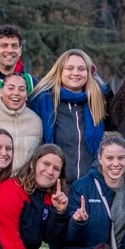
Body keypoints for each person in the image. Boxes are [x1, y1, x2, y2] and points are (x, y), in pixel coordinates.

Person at [51, 133, 125, 249]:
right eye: (109, 158)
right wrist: (77, 222)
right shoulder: (81, 186)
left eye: (121, 158)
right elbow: (66, 238)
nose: (116, 163)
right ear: (100, 158)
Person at [28, 48, 107, 183]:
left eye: (81, 69)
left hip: (90, 185)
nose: (75, 73)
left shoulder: (98, 101)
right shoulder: (43, 101)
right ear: (60, 71)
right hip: (55, 184)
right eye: (69, 68)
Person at [0, 72, 42, 170]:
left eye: (21, 89)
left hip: (23, 183)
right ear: (1, 92)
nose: (16, 93)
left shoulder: (36, 121)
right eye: (11, 88)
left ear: (26, 95)